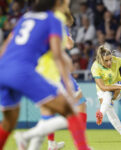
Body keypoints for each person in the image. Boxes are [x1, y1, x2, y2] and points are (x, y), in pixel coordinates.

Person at [0, 0, 90, 150]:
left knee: (9, 122)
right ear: (58, 4)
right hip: (23, 70)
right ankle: (83, 148)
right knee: (70, 110)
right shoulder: (53, 19)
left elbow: (7, 43)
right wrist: (67, 85)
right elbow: (57, 54)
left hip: (3, 69)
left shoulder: (28, 16)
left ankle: (33, 141)